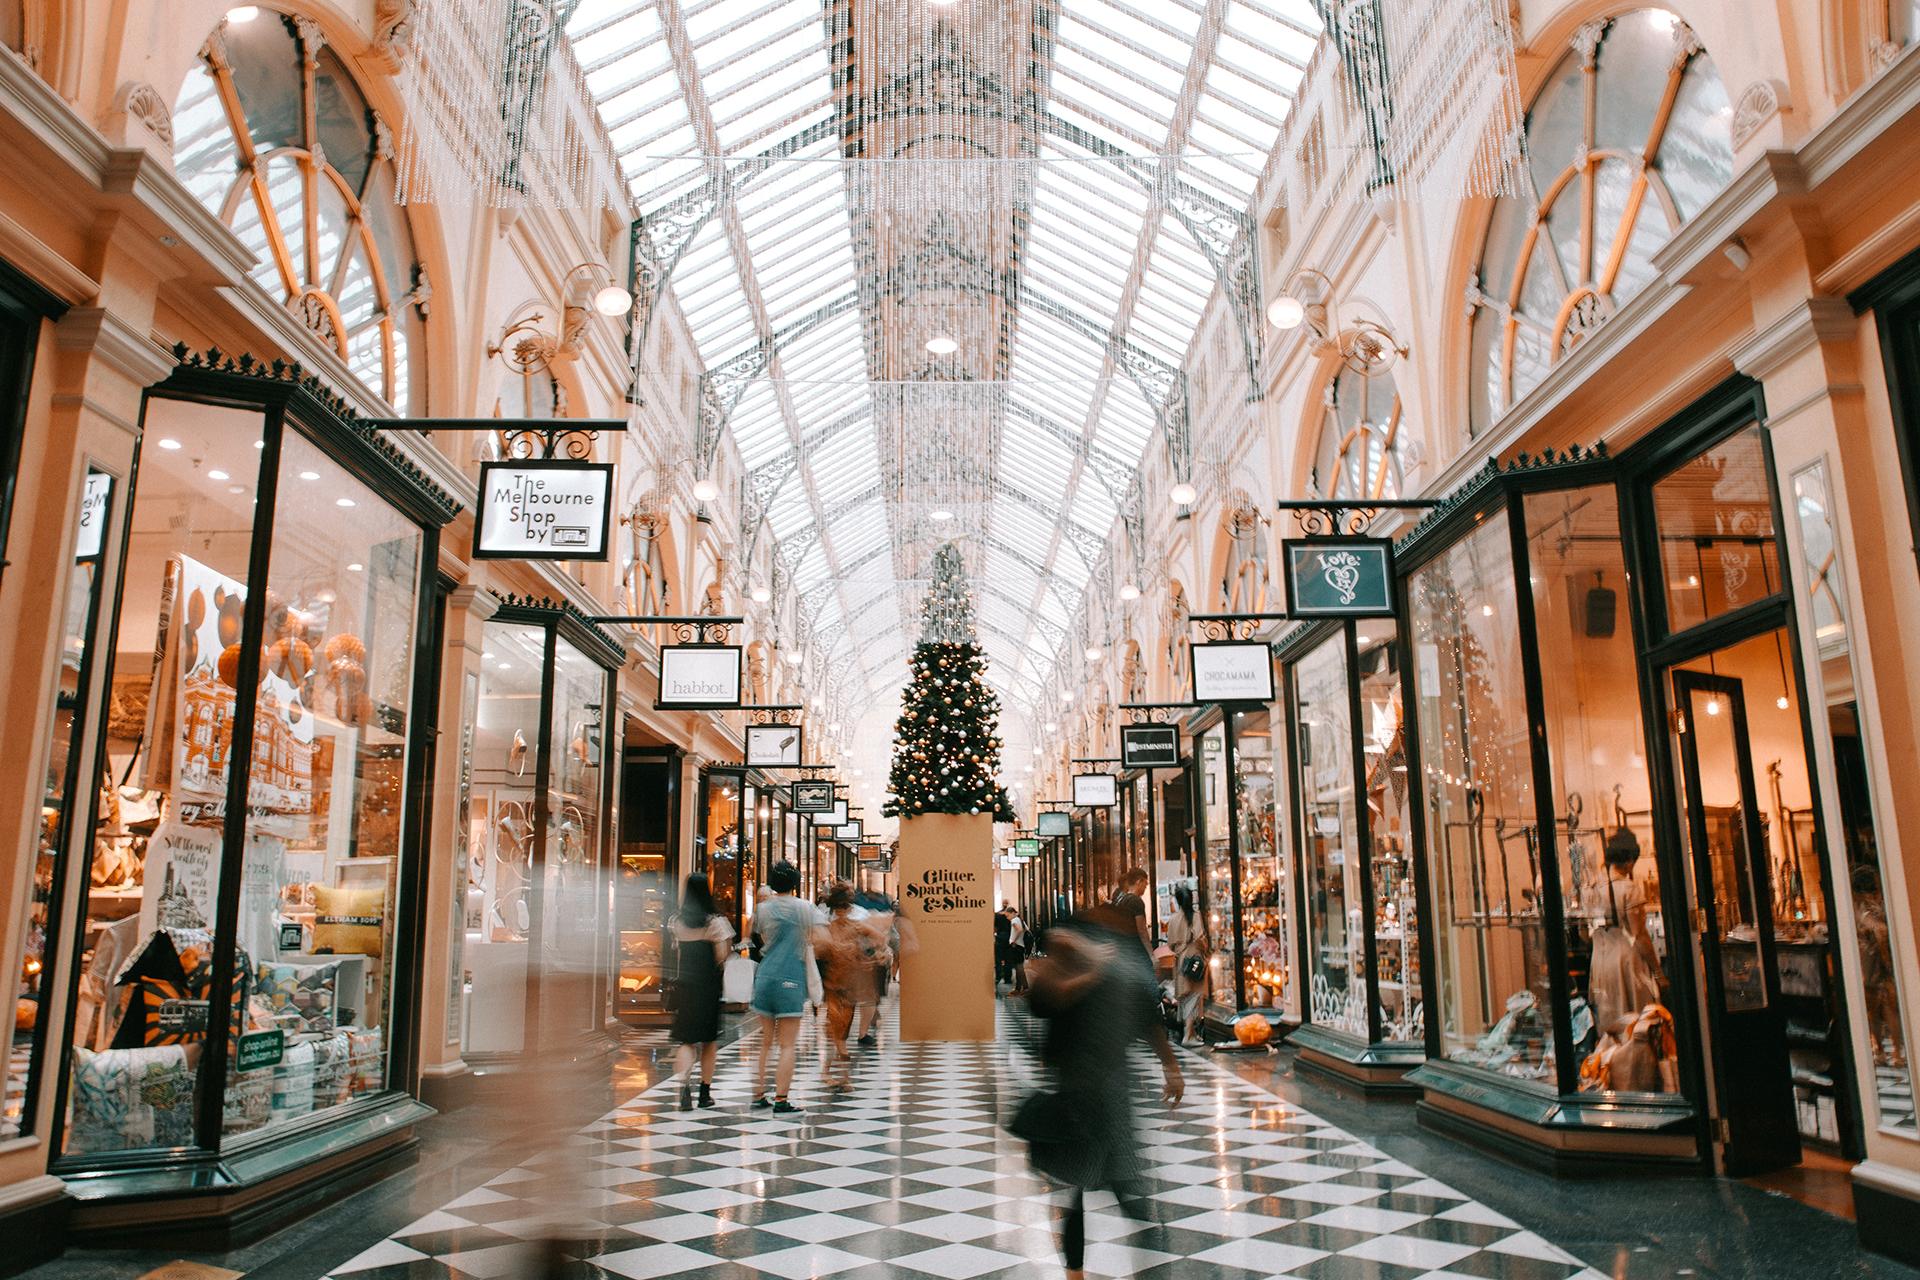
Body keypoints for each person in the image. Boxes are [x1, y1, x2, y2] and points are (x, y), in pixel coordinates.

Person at [1020, 904, 1183, 1280]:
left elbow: (1145, 1014)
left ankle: (1148, 1271)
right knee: (1077, 1191)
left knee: (1126, 1191)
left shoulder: (1116, 965)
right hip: (1076, 1094)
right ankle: (1075, 1273)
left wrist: (1170, 1065)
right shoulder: (1068, 967)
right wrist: (1091, 968)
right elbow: (1044, 999)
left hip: (1110, 1093)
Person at [750, 861, 817, 1114]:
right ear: (795, 884)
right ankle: (781, 1099)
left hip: (765, 976)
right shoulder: (805, 908)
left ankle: (758, 1095)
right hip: (791, 976)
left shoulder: (761, 909)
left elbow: (757, 935)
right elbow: (821, 938)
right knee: (787, 1044)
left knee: (765, 1043)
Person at [1584, 828, 1661, 1034]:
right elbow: (1640, 935)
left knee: (1609, 1020)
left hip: (1600, 961)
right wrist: (1658, 971)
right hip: (1625, 962)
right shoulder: (1628, 889)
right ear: (1629, 861)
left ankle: (1611, 1062)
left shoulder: (1591, 888)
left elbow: (1586, 931)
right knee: (1636, 1022)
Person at [817, 882, 891, 1090]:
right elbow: (880, 937)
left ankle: (833, 1072)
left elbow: (817, 949)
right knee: (839, 1030)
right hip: (844, 982)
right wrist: (874, 954)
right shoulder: (853, 924)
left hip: (836, 982)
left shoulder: (828, 925)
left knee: (837, 1029)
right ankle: (841, 1074)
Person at [668, 873, 732, 1109]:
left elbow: (676, 951)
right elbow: (722, 955)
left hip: (686, 985)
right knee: (709, 1041)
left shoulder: (677, 922)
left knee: (686, 1040)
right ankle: (705, 1093)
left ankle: (683, 1086)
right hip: (708, 986)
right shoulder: (715, 922)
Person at [1165, 882, 1208, 1045]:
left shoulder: (1173, 919)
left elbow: (1170, 944)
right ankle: (1188, 1035)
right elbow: (1200, 936)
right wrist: (1206, 950)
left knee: (1185, 995)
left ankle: (1191, 1032)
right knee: (1194, 995)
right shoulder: (1195, 916)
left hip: (1181, 959)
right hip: (1194, 957)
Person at [1112, 868, 1151, 949]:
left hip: (1120, 948)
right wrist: (1151, 954)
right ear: (1139, 881)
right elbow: (1142, 930)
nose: (1145, 887)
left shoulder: (1120, 899)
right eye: (1145, 884)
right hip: (1133, 948)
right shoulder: (1136, 901)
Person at [1006, 905, 1029, 994]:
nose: (1007, 918)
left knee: (1019, 968)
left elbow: (1019, 930)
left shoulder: (1014, 920)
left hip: (1016, 946)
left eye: (1008, 915)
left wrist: (1013, 941)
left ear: (1012, 913)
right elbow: (1025, 930)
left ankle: (1025, 987)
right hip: (1021, 946)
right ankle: (1018, 988)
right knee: (1018, 967)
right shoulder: (1020, 920)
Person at [994, 903, 1014, 984]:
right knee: (1008, 960)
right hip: (1009, 939)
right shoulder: (1011, 918)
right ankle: (1007, 978)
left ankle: (998, 977)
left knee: (998, 960)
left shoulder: (997, 916)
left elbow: (995, 928)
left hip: (1000, 939)